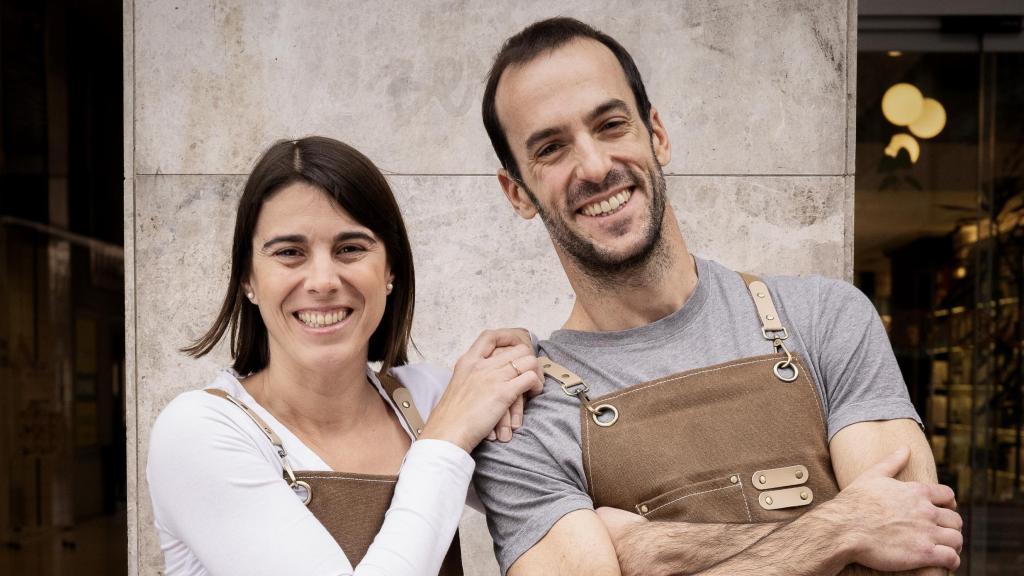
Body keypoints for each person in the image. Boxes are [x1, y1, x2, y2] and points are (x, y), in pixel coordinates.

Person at [471, 17, 963, 576]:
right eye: (552, 148)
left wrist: (653, 551)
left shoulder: (827, 318)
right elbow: (873, 529)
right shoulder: (524, 419)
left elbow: (919, 553)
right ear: (517, 192)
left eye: (610, 125)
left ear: (656, 133)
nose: (595, 166)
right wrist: (843, 526)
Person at [146, 136, 542, 576]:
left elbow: (562, 495)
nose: (322, 280)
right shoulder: (198, 431)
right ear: (248, 279)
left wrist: (528, 362)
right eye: (289, 253)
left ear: (390, 269)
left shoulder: (431, 397)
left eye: (350, 248)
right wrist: (444, 442)